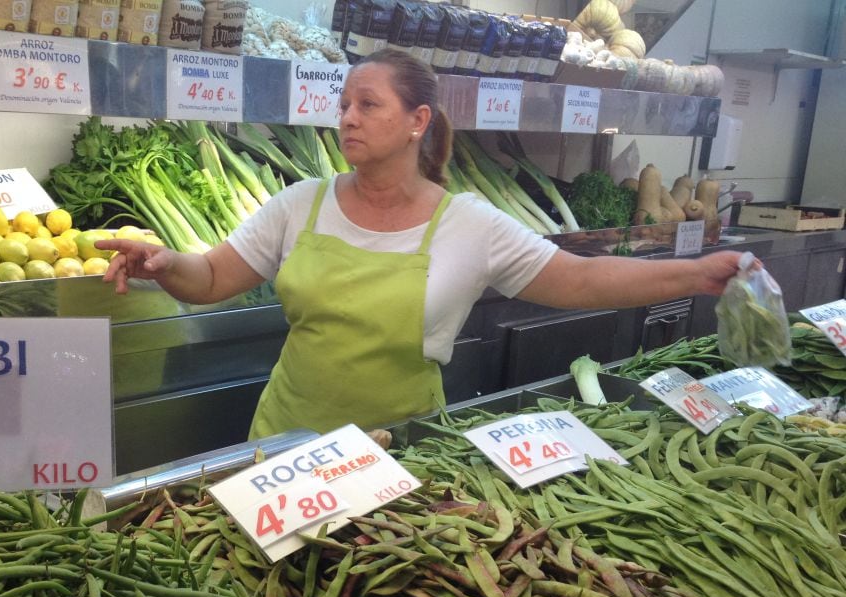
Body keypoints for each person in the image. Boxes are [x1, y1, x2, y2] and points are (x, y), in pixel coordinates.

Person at [98, 48, 743, 440]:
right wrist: (162, 263)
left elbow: (581, 279)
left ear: (417, 123)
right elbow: (210, 278)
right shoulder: (302, 204)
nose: (347, 116)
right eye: (344, 103)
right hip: (288, 446)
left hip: (400, 446)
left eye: (368, 105)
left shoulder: (470, 224)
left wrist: (694, 274)